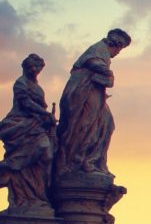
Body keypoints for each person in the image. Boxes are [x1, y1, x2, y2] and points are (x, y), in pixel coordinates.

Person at [55, 28, 131, 177]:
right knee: (84, 124)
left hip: (95, 93)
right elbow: (92, 61)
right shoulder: (98, 48)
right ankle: (75, 161)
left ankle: (93, 160)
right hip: (83, 93)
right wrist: (107, 72)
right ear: (115, 44)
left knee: (107, 123)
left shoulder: (104, 52)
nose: (118, 53)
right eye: (120, 48)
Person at [0, 54, 56, 210]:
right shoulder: (20, 83)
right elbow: (26, 103)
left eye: (38, 68)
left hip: (37, 123)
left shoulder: (38, 87)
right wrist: (44, 114)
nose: (35, 70)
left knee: (47, 155)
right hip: (21, 123)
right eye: (32, 67)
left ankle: (36, 196)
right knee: (42, 147)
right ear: (25, 67)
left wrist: (47, 117)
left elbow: (41, 106)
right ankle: (10, 167)